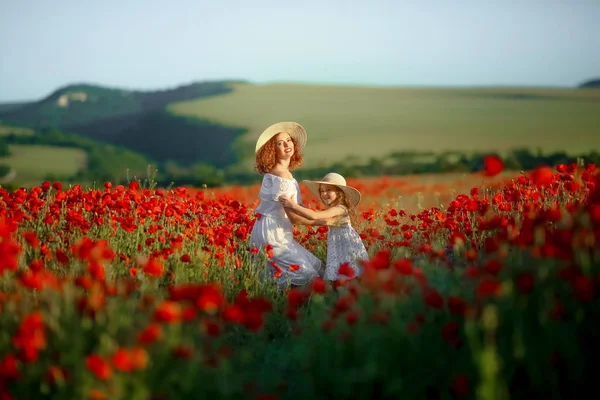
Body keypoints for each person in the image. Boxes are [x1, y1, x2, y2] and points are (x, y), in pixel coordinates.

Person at [249, 121, 325, 289]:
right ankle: (299, 312)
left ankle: (291, 308)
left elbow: (296, 206)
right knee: (309, 277)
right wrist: (324, 222)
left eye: (288, 140)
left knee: (317, 270)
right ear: (272, 150)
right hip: (273, 235)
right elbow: (294, 217)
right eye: (279, 143)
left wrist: (321, 214)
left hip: (273, 230)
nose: (286, 145)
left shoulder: (281, 173)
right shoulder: (282, 176)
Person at [279, 173, 368, 281]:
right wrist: (299, 206)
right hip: (339, 248)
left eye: (328, 190)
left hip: (347, 248)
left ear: (339, 192)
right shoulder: (334, 210)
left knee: (351, 274)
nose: (324, 193)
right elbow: (314, 219)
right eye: (321, 191)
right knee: (342, 276)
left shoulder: (340, 209)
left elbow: (315, 215)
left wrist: (293, 205)